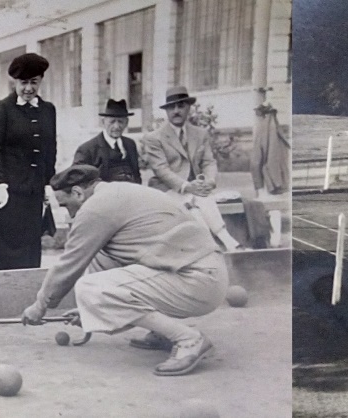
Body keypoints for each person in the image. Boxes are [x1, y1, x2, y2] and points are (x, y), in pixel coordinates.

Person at [22, 165, 226, 377]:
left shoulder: (95, 208)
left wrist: (40, 306)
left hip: (199, 281)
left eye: (66, 205)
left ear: (77, 193)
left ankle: (189, 339)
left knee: (89, 287)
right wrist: (90, 310)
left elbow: (68, 265)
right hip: (201, 274)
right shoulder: (117, 191)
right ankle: (161, 331)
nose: (69, 212)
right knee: (101, 256)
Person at [0, 53, 56, 271]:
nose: (29, 88)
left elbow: (50, 148)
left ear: (40, 81)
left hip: (32, 191)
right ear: (14, 82)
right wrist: (0, 184)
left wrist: (48, 183)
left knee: (28, 249)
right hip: (5, 191)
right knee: (1, 249)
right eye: (23, 83)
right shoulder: (1, 108)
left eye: (34, 82)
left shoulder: (48, 110)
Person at [141, 86, 242, 251]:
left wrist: (209, 182)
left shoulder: (200, 134)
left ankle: (220, 243)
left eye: (181, 106)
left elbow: (209, 162)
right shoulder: (154, 138)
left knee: (200, 202)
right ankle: (222, 243)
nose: (176, 111)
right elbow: (162, 170)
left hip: (196, 190)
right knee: (192, 204)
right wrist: (187, 186)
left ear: (188, 108)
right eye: (172, 107)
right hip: (168, 189)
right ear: (166, 111)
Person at [73, 99, 141, 184]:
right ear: (103, 122)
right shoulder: (87, 149)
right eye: (112, 122)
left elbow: (137, 175)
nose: (116, 126)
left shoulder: (130, 144)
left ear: (126, 123)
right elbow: (77, 180)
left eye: (121, 122)